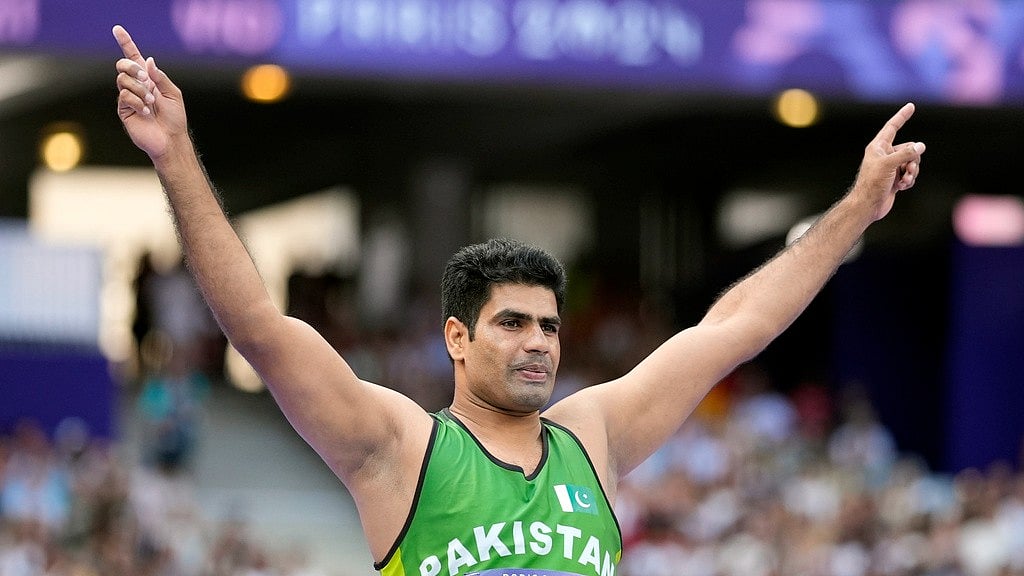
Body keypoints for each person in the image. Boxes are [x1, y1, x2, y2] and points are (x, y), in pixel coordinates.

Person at [112, 24, 925, 576]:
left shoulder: (593, 437)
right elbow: (258, 327)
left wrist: (855, 209)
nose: (539, 341)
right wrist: (176, 156)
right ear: (456, 338)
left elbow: (736, 326)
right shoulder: (401, 448)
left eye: (549, 325)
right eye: (512, 323)